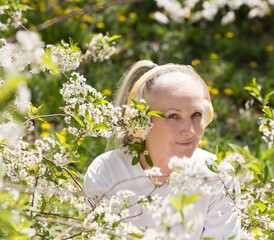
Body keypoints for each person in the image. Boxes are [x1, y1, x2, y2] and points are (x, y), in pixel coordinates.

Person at [84, 60, 240, 239]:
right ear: (140, 122)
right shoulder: (107, 171)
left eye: (196, 115)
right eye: (173, 116)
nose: (189, 131)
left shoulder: (218, 175)